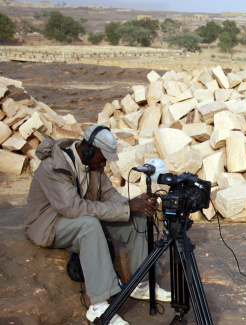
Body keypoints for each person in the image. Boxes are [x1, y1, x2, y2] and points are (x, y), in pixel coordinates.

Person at [24, 125, 171, 325]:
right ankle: (99, 306)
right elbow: (73, 209)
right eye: (102, 157)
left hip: (83, 216)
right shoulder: (53, 167)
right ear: (88, 150)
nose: (104, 162)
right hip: (49, 224)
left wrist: (134, 205)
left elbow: (108, 195)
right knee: (89, 226)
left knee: (136, 218)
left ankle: (141, 283)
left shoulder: (93, 164)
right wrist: (126, 208)